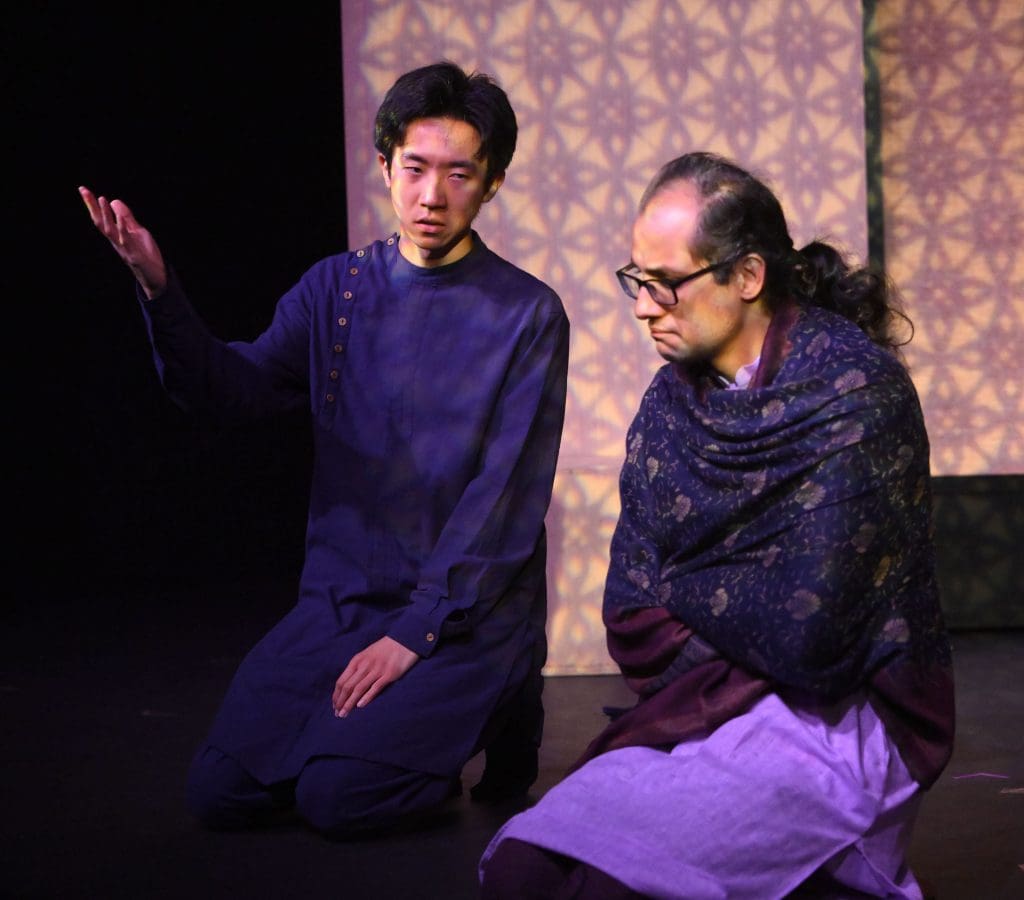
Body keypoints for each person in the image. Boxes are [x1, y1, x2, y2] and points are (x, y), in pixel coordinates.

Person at [79, 60, 570, 838]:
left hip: (461, 610)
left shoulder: (527, 313)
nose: (431, 196)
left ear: (491, 185)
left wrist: (416, 633)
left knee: (338, 799)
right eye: (414, 169)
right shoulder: (334, 291)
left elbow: (505, 494)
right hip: (343, 600)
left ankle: (496, 695)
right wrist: (160, 291)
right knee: (220, 792)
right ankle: (382, 738)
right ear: (385, 167)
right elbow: (231, 390)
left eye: (458, 175)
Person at [479, 151, 955, 899]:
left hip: (838, 718)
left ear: (747, 277)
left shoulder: (858, 397)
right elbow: (632, 620)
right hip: (699, 704)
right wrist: (738, 603)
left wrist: (686, 585)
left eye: (665, 283)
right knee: (520, 870)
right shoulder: (670, 408)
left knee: (612, 888)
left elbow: (814, 638)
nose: (643, 307)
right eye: (637, 280)